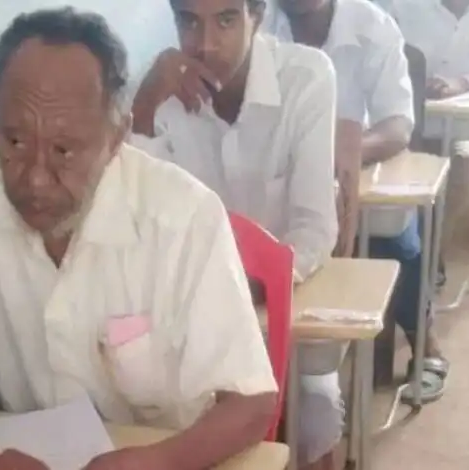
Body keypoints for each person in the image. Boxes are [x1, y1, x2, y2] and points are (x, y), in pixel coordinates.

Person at [0, 8, 280, 470]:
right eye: (14, 142)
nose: (36, 179)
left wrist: (154, 463)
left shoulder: (184, 218)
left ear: (117, 137)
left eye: (64, 150)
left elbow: (252, 402)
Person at [130, 1, 340, 468]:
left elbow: (314, 226)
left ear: (257, 15)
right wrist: (142, 110)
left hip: (289, 300)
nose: (205, 44)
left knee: (315, 413)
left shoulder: (306, 78)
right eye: (189, 21)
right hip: (189, 317)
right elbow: (139, 218)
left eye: (225, 20)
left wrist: (252, 288)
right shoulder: (157, 88)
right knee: (167, 419)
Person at [264, 0, 451, 465]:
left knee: (394, 234)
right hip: (284, 180)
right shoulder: (256, 23)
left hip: (358, 166)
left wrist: (341, 152)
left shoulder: (372, 27)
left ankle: (423, 338)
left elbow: (398, 126)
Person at [387, 0, 469, 284]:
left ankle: (425, 256)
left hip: (465, 132)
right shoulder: (399, 6)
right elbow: (380, 54)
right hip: (404, 130)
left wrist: (467, 81)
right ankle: (410, 263)